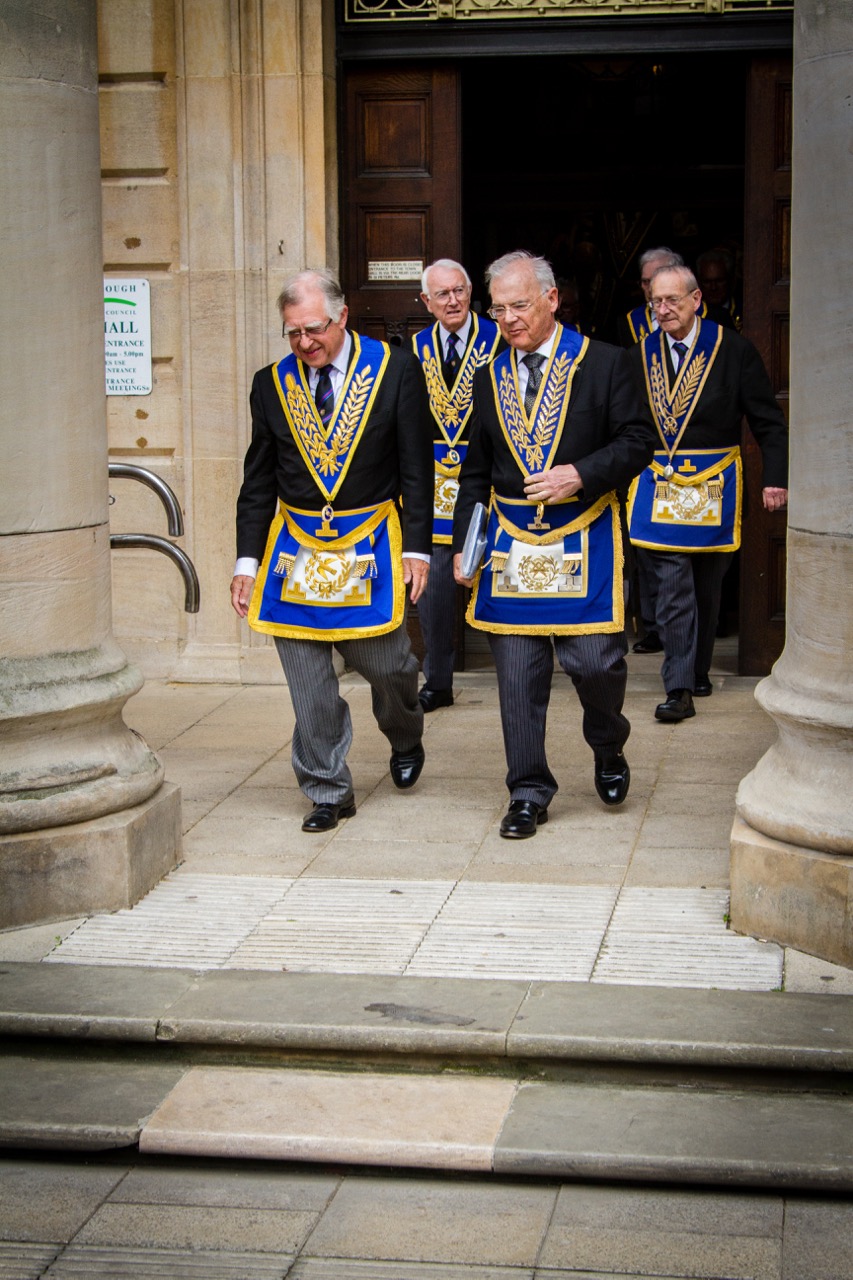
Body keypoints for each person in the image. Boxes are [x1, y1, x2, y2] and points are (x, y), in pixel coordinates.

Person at [453, 250, 657, 839]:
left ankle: (608, 743)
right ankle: (527, 791)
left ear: (551, 299)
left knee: (596, 664)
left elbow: (638, 440)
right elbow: (475, 471)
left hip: (583, 531)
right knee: (517, 675)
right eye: (498, 310)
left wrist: (581, 474)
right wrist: (467, 542)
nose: (508, 320)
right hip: (511, 544)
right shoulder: (488, 377)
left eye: (519, 305)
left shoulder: (606, 363)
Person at [231, 268, 434, 831]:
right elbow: (258, 481)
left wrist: (418, 550)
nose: (304, 342)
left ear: (342, 316)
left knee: (390, 666)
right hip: (295, 549)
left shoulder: (395, 370)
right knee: (309, 683)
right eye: (293, 332)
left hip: (370, 541)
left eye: (314, 329)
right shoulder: (270, 385)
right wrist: (247, 562)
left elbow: (417, 470)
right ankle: (327, 789)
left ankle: (405, 733)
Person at [627, 264, 788, 723]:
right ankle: (678, 688)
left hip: (715, 486)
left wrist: (775, 478)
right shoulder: (638, 355)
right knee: (672, 586)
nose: (663, 310)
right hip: (659, 484)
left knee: (706, 587)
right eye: (655, 302)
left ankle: (697, 671)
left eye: (672, 300)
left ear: (697, 300)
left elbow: (768, 421)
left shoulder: (733, 349)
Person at [412, 259, 502, 711]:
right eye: (442, 294)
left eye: (459, 291)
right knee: (434, 590)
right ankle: (438, 681)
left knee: (499, 575)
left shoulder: (498, 338)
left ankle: (517, 672)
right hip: (434, 484)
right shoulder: (414, 348)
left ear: (471, 293)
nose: (453, 301)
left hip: (490, 476)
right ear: (426, 301)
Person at [697, 248, 743, 332]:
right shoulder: (691, 314)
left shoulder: (744, 310)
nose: (713, 287)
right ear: (699, 283)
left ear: (731, 281)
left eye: (719, 281)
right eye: (707, 282)